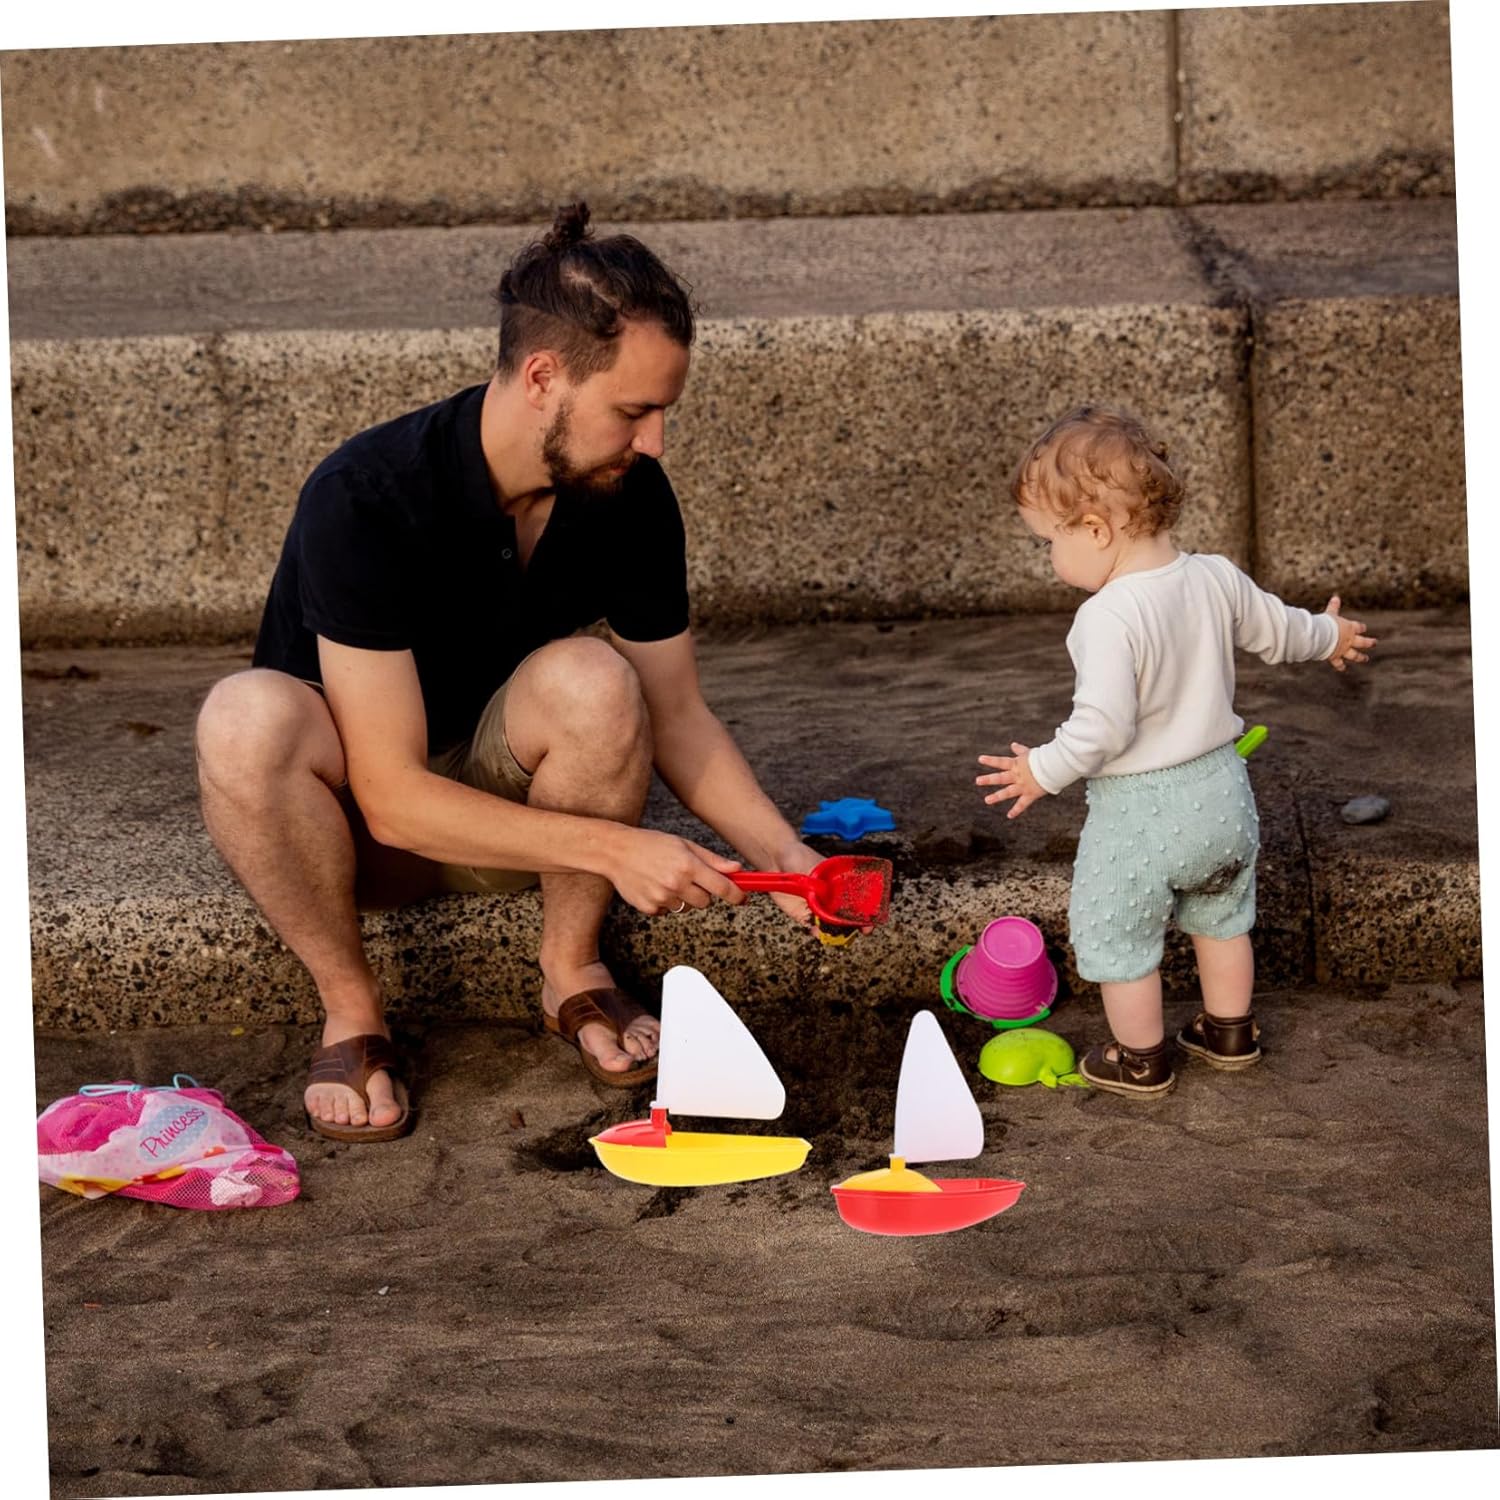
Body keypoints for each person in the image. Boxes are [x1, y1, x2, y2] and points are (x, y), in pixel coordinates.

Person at [195, 202, 826, 1142]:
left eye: (663, 412)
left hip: (516, 827)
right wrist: (618, 850)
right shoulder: (366, 495)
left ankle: (571, 968)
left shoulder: (628, 495)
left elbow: (678, 713)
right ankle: (352, 1009)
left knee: (594, 677)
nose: (655, 441)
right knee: (244, 716)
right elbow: (391, 800)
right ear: (542, 377)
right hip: (355, 835)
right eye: (633, 411)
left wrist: (788, 858)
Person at [975, 405, 1376, 1097]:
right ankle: (1229, 1032)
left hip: (1142, 816)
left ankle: (1140, 1060)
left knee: (1121, 940)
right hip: (1222, 794)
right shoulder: (1214, 576)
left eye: (1049, 541)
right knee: (1222, 923)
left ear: (1095, 529)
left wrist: (1041, 769)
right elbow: (1283, 632)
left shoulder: (1106, 616)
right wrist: (1330, 634)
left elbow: (1102, 729)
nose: (1051, 558)